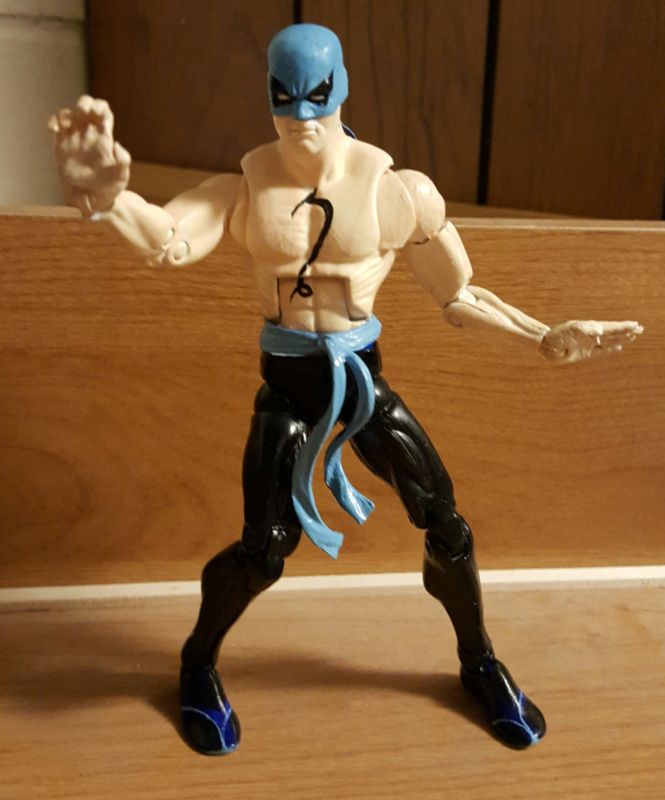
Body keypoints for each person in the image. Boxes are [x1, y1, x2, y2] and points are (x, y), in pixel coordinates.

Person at [50, 23, 642, 756]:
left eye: (317, 97)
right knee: (264, 548)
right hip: (288, 386)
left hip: (361, 382)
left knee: (447, 525)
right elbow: (170, 239)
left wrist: (541, 335)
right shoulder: (248, 186)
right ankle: (196, 664)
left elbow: (458, 295)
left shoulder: (396, 192)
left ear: (341, 92)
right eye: (285, 97)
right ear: (268, 95)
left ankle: (479, 660)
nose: (301, 116)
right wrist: (110, 201)